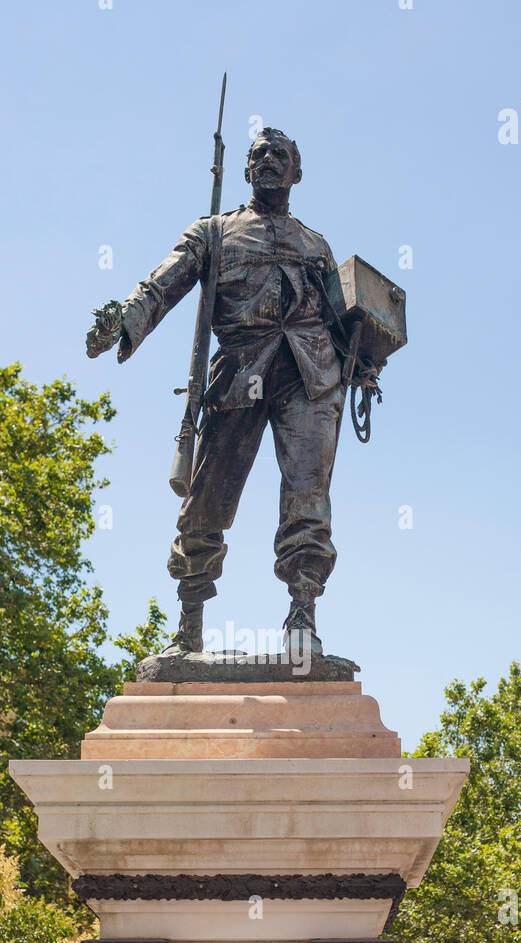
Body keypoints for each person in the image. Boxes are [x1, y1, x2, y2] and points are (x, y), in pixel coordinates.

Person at [86, 128, 370, 659]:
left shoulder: (316, 244)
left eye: (278, 155)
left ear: (296, 173)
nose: (267, 161)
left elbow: (341, 317)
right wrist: (123, 322)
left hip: (311, 377)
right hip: (240, 372)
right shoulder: (213, 232)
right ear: (245, 170)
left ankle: (302, 622)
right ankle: (189, 627)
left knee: (308, 503)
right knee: (206, 501)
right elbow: (159, 285)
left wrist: (365, 360)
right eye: (257, 154)